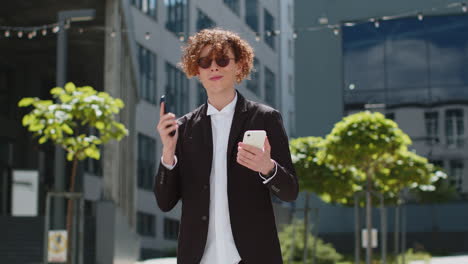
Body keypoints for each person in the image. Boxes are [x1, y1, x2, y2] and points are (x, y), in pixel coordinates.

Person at [154, 28, 298, 264]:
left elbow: (290, 192)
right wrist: (168, 153)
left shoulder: (265, 118)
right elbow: (164, 202)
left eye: (222, 60)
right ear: (196, 70)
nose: (213, 67)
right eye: (204, 61)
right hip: (199, 257)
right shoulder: (183, 128)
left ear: (239, 66)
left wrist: (267, 167)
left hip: (252, 256)